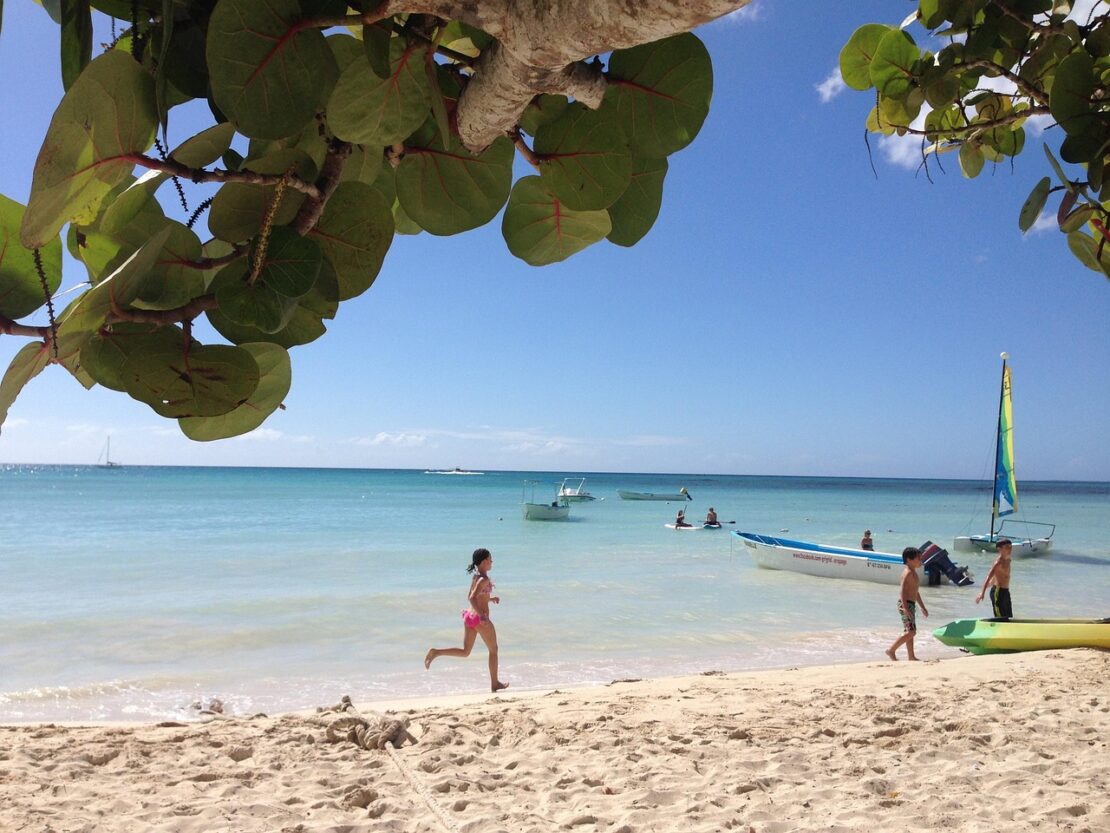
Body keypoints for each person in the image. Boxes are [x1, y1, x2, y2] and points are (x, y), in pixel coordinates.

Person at [424, 548, 509, 692]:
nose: (492, 561)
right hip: (480, 619)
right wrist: (482, 615)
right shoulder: (483, 579)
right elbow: (471, 598)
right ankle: (494, 684)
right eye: (490, 559)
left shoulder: (477, 577)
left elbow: (478, 596)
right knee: (494, 650)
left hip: (470, 617)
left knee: (465, 652)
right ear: (483, 562)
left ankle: (436, 652)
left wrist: (491, 599)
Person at [886, 547, 928, 661]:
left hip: (910, 604)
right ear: (909, 559)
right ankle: (891, 650)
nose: (921, 560)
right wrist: (905, 607)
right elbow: (902, 591)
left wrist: (922, 607)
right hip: (905, 605)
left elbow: (916, 592)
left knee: (910, 631)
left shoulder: (914, 573)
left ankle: (911, 656)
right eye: (918, 558)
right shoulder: (908, 573)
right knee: (911, 632)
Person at [975, 538, 1014, 618]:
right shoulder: (998, 562)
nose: (1009, 549)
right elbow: (989, 576)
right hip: (998, 592)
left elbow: (996, 577)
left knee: (1009, 617)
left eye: (1010, 547)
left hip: (1006, 592)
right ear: (999, 549)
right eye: (1007, 547)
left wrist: (990, 584)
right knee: (1000, 618)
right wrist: (982, 593)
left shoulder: (1008, 560)